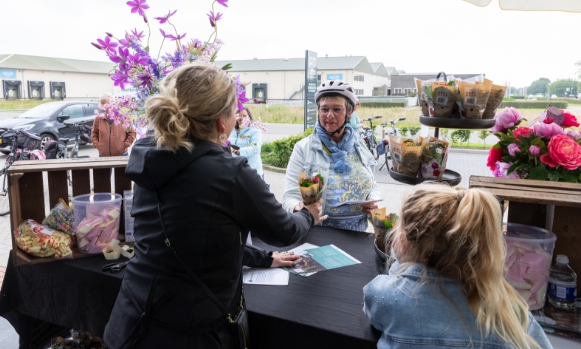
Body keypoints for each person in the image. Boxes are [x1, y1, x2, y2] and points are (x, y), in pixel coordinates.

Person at [103, 64, 327, 349]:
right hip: (190, 332)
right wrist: (309, 215)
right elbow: (283, 231)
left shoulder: (151, 154)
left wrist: (265, 259)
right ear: (222, 122)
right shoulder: (229, 172)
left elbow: (196, 239)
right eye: (234, 111)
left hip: (132, 321)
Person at [363, 184, 552, 349]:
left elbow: (374, 302)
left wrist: (401, 269)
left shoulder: (387, 296)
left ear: (403, 242)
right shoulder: (510, 311)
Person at [283, 80, 381, 232]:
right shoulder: (303, 148)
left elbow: (372, 183)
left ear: (349, 112)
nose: (329, 115)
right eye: (324, 109)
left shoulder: (359, 145)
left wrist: (373, 200)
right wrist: (300, 208)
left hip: (358, 236)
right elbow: (289, 197)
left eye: (337, 109)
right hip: (319, 233)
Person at [228, 107, 263, 178]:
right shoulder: (231, 131)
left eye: (244, 116)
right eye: (239, 115)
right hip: (236, 172)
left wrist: (237, 151)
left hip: (252, 171)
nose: (241, 118)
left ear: (249, 117)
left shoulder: (255, 130)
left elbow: (255, 148)